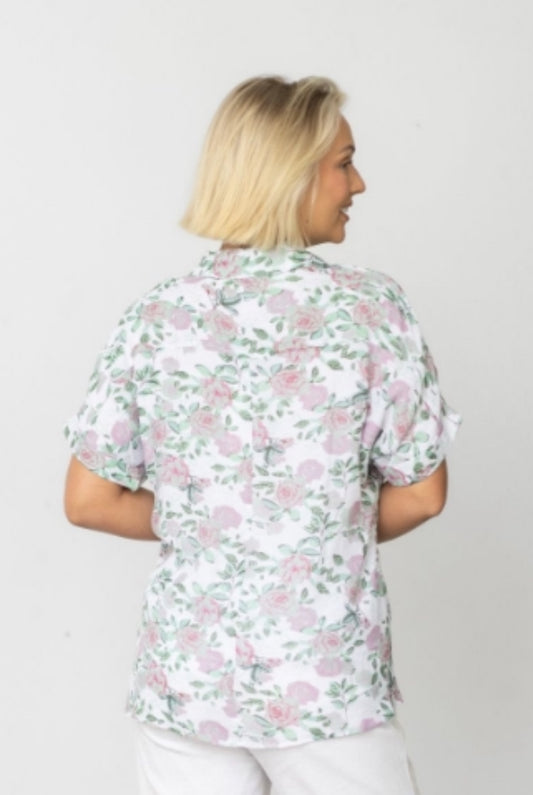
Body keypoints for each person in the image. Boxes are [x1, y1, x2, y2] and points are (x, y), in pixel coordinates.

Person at [64, 76, 460, 795]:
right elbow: (423, 495)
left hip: (187, 680)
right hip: (325, 680)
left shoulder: (157, 316)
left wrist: (220, 524)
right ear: (290, 173)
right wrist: (308, 527)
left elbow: (90, 500)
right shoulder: (369, 308)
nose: (358, 183)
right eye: (344, 163)